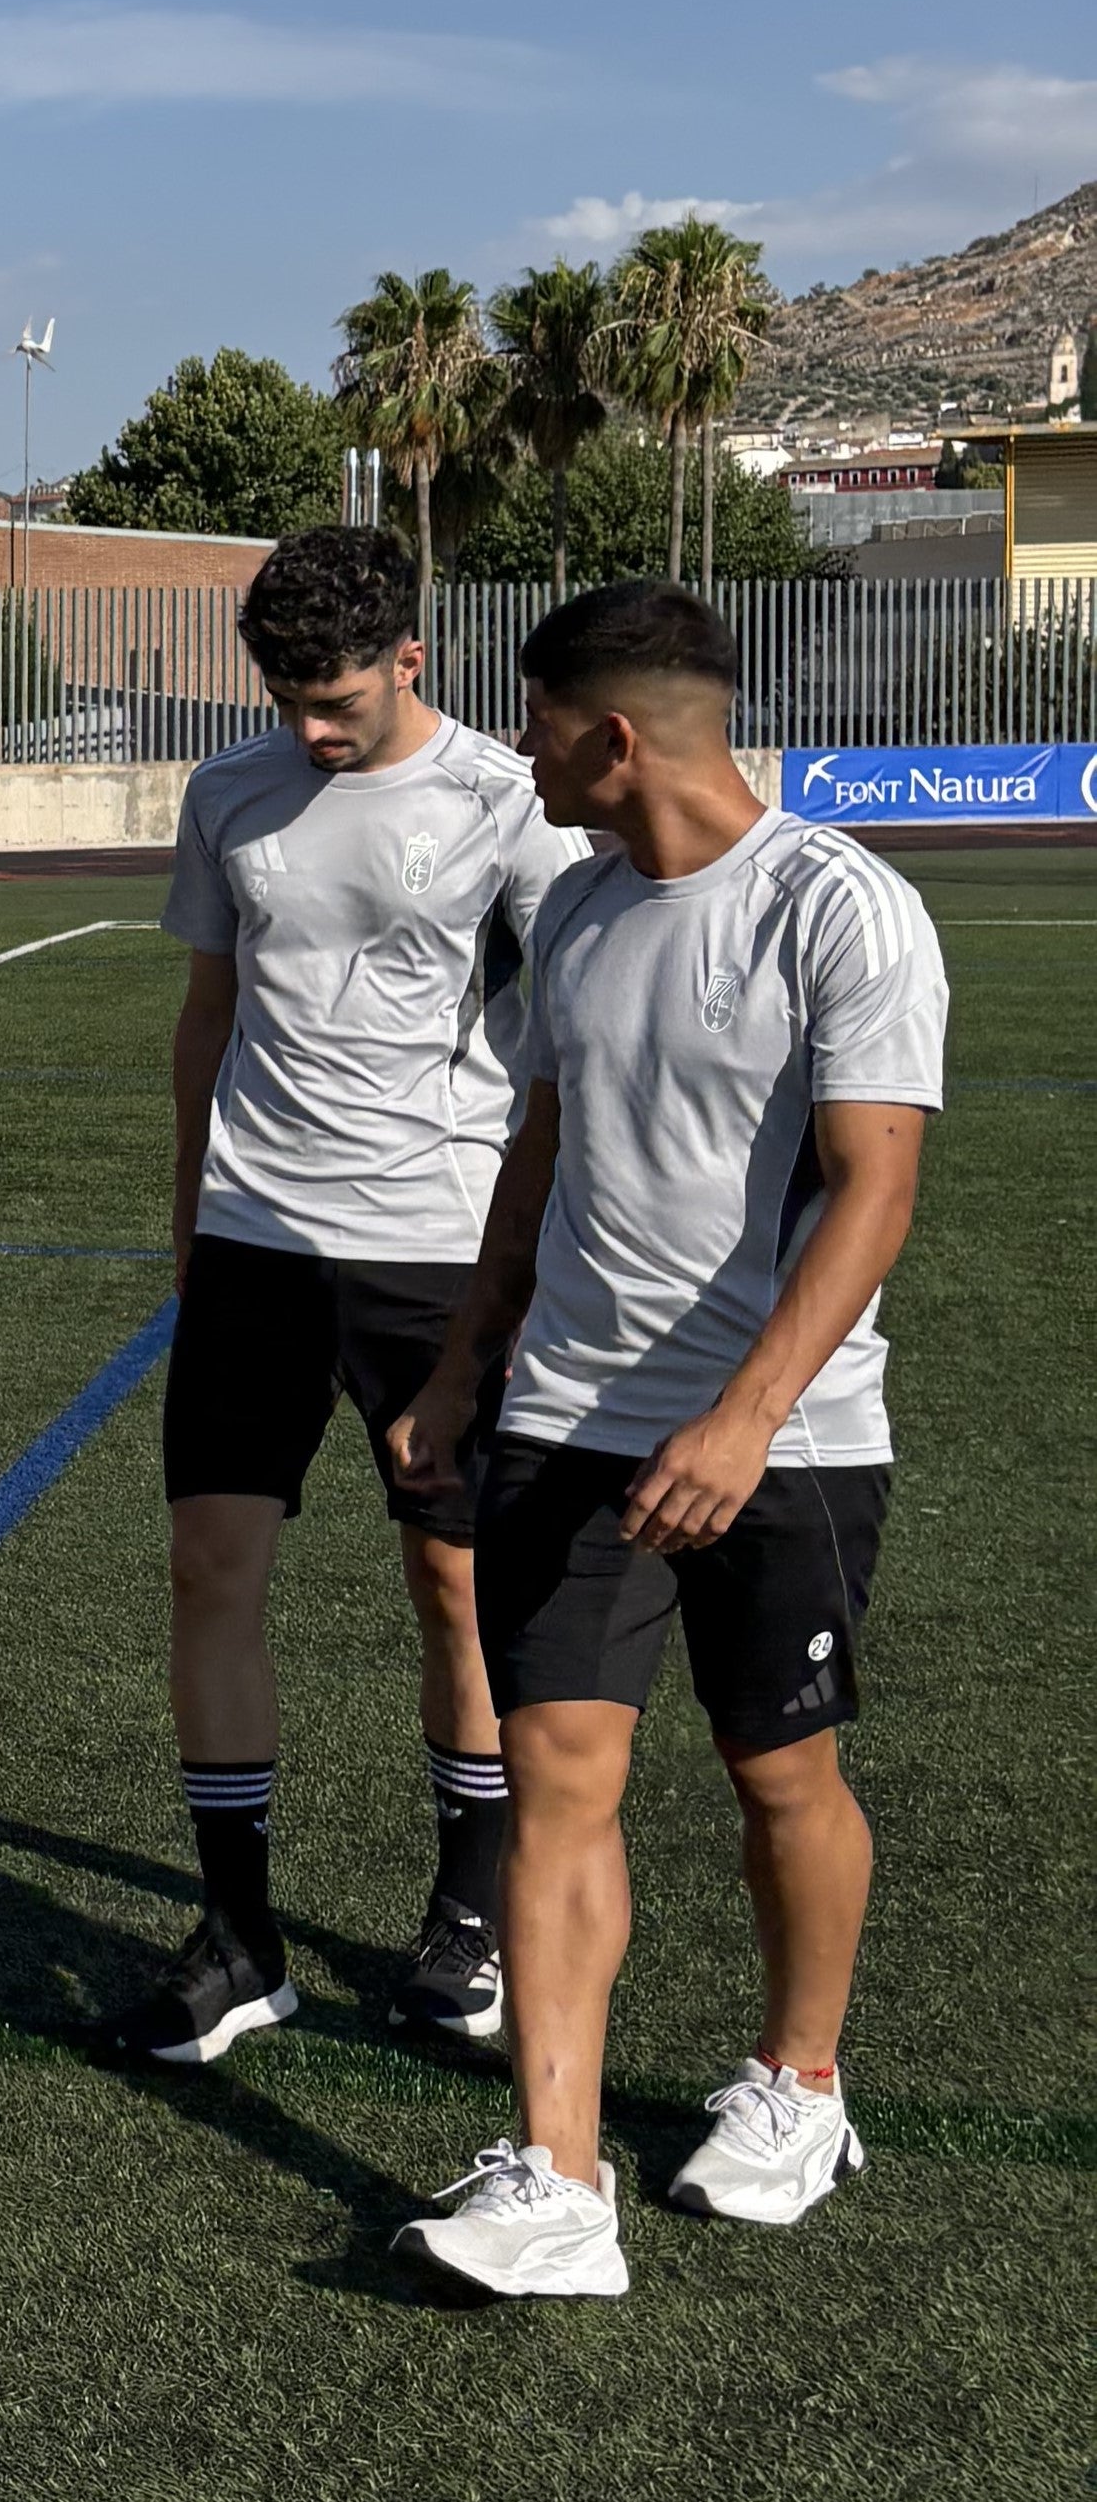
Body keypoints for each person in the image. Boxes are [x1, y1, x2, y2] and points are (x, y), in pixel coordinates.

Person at [387, 583, 943, 2301]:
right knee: (557, 1774)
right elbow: (535, 1151)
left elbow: (873, 1185)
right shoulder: (572, 912)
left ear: (609, 736)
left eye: (535, 720)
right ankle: (554, 2178)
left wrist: (740, 1418)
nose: (516, 750)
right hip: (564, 1417)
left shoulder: (835, 910)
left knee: (777, 1772)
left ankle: (797, 2080)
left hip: (783, 1435)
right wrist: (465, 1358)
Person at [112, 526, 586, 2068]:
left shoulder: (508, 809)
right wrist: (187, 1212)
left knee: (450, 1587)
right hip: (254, 1243)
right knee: (208, 1569)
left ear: (411, 661)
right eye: (282, 696)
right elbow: (203, 1012)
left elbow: (575, 1048)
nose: (307, 730)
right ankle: (241, 1937)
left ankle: (464, 1919)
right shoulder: (230, 791)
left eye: (335, 701)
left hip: (433, 1250)